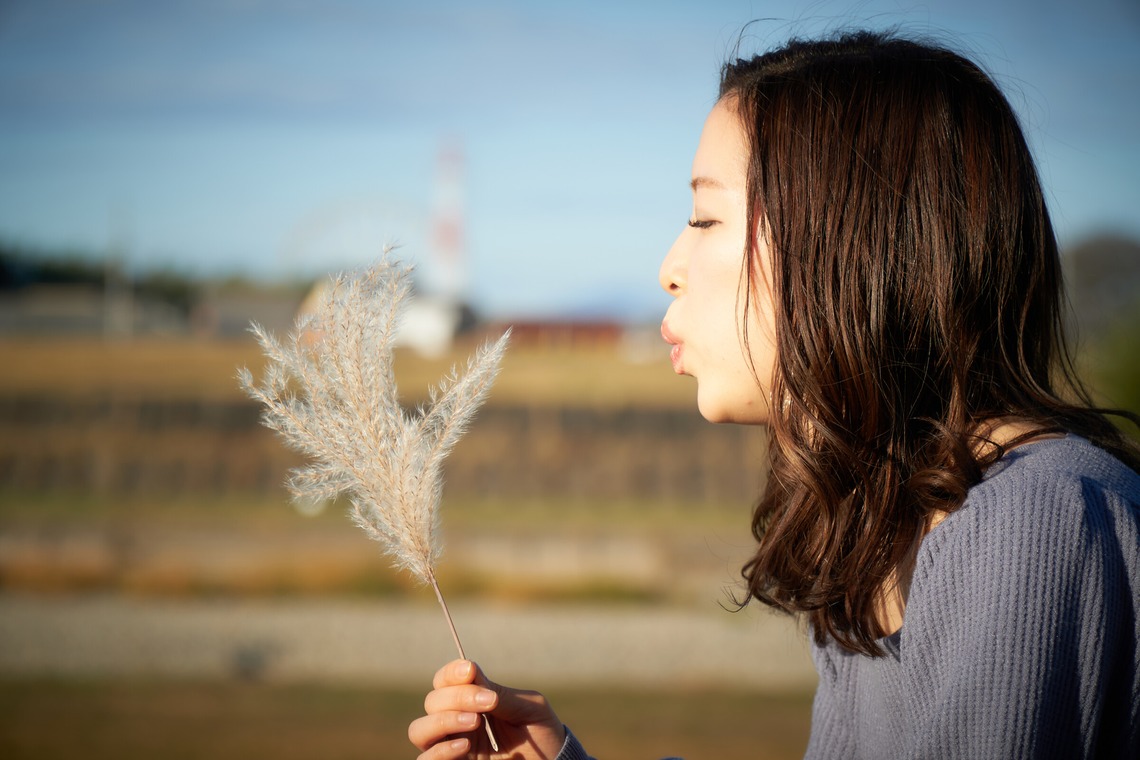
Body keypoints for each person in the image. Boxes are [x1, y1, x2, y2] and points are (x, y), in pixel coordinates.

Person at [408, 29, 1140, 759]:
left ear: (852, 239)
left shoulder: (1031, 520)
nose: (669, 267)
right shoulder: (888, 526)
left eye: (705, 218)